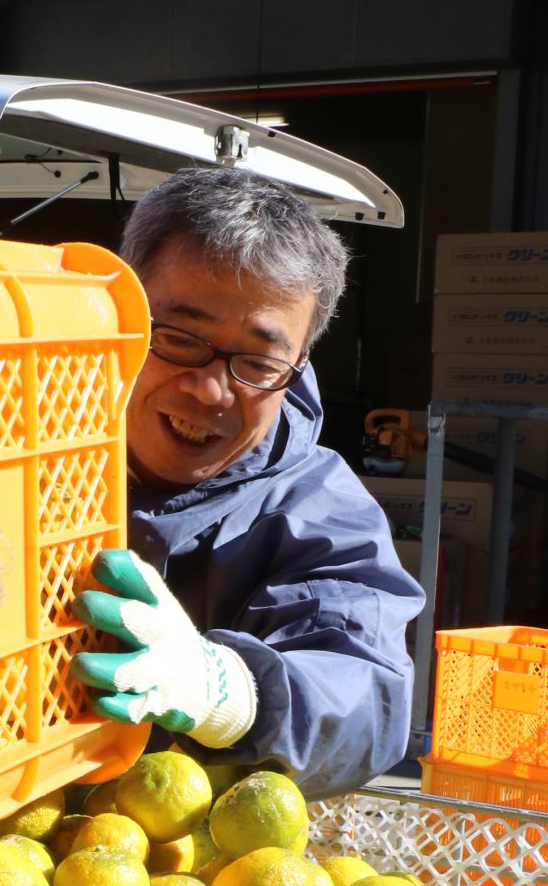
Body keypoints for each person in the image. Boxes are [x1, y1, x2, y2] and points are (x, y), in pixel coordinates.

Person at [73, 167, 423, 798]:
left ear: (297, 366)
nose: (209, 391)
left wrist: (229, 692)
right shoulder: (4, 436)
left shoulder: (317, 510)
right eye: (179, 339)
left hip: (181, 870)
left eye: (257, 363)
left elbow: (367, 699)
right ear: (116, 314)